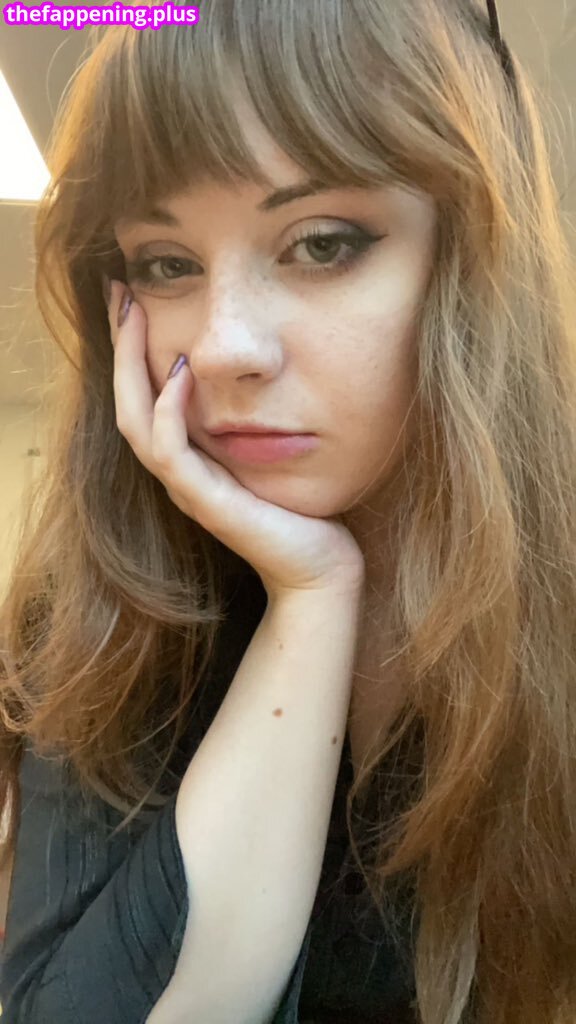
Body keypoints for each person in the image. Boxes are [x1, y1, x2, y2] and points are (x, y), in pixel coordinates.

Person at [1, 0, 575, 1020]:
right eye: (167, 264)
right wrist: (311, 598)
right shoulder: (87, 616)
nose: (225, 346)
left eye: (320, 244)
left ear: (466, 260)